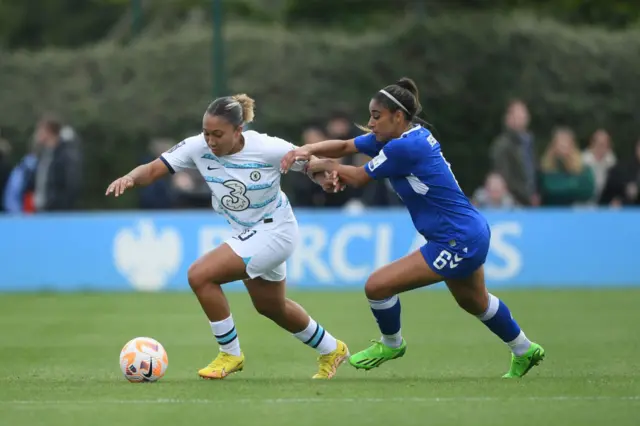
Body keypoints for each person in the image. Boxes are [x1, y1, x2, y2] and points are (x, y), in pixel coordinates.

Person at [281, 78, 545, 378]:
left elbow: (355, 176)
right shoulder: (402, 137)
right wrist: (307, 149)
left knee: (377, 286)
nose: (370, 123)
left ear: (398, 116)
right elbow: (344, 145)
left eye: (376, 116)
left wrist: (317, 165)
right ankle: (525, 349)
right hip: (466, 231)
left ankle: (392, 344)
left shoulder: (406, 147)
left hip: (456, 239)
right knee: (474, 300)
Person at [106, 94, 349, 380]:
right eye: (207, 133)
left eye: (218, 134)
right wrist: (131, 178)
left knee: (200, 275)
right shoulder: (197, 146)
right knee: (271, 307)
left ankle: (230, 354)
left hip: (276, 229)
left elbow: (312, 165)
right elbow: (153, 168)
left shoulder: (268, 147)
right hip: (248, 232)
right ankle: (333, 348)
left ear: (238, 131)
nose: (210, 140)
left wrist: (326, 179)